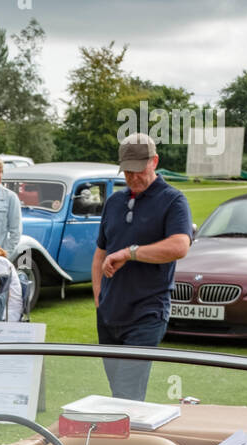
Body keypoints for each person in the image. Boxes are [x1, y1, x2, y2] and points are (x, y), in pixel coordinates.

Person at [92, 133, 192, 401]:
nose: (132, 177)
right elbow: (100, 253)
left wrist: (130, 253)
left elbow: (180, 246)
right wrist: (99, 298)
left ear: (154, 161)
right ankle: (130, 439)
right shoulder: (114, 202)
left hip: (147, 312)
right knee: (119, 392)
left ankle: (129, 442)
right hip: (109, 315)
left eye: (138, 170)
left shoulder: (173, 200)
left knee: (127, 393)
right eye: (127, 171)